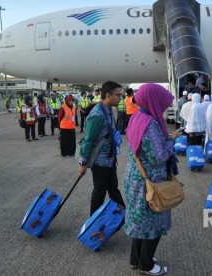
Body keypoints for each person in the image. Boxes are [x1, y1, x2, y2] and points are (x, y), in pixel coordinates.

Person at [124, 83, 180, 275]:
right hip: (150, 183)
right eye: (162, 102)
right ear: (153, 100)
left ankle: (136, 259)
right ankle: (145, 265)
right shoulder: (150, 123)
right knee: (153, 224)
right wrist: (172, 140)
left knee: (140, 222)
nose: (164, 107)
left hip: (137, 178)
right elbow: (160, 157)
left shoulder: (137, 117)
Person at [78, 81, 125, 215]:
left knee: (113, 189)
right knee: (100, 191)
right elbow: (88, 140)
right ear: (108, 95)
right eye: (118, 95)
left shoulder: (109, 110)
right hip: (100, 161)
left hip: (109, 159)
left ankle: (123, 216)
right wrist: (83, 162)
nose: (120, 98)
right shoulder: (97, 115)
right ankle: (93, 222)